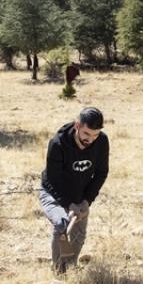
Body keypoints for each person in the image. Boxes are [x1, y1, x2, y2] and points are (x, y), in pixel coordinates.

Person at [39, 107, 109, 272]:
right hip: (53, 192)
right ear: (77, 125)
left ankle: (69, 266)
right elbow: (52, 179)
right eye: (86, 134)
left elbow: (101, 173)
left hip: (80, 194)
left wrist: (86, 201)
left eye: (95, 134)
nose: (90, 139)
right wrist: (69, 205)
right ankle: (58, 270)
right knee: (62, 225)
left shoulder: (102, 141)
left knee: (78, 235)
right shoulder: (58, 143)